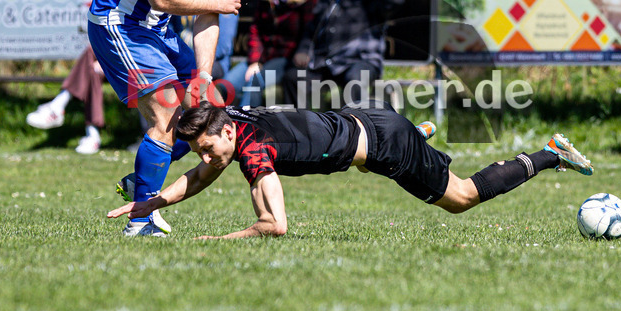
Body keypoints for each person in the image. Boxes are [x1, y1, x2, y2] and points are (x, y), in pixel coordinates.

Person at [107, 102, 594, 239]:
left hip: (384, 143)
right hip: (364, 120)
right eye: (201, 150)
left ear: (228, 134)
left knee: (461, 197)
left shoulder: (252, 150)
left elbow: (274, 226)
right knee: (361, 158)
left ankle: (551, 153)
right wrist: (150, 203)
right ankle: (415, 135)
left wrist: (213, 242)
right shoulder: (231, 120)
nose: (208, 158)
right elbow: (199, 175)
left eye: (210, 148)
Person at [88, 0, 247, 237]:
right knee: (167, 118)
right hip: (119, 24)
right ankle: (139, 222)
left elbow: (209, 14)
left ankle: (140, 181)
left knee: (213, 112)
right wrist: (219, 4)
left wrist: (203, 76)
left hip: (159, 30)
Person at [26, 0, 136, 155]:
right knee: (91, 65)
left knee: (91, 57)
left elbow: (136, 29)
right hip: (118, 54)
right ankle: (90, 133)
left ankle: (61, 107)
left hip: (142, 57)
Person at [283, 0, 405, 109]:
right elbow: (312, 28)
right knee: (293, 77)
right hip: (327, 62)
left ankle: (354, 129)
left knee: (356, 79)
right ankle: (296, 129)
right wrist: (303, 50)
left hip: (361, 61)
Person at [224, 0, 322, 107]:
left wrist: (302, 52)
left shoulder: (311, 1)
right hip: (262, 58)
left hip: (286, 59)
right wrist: (255, 60)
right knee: (226, 86)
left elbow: (311, 34)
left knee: (255, 83)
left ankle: (248, 127)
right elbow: (256, 31)